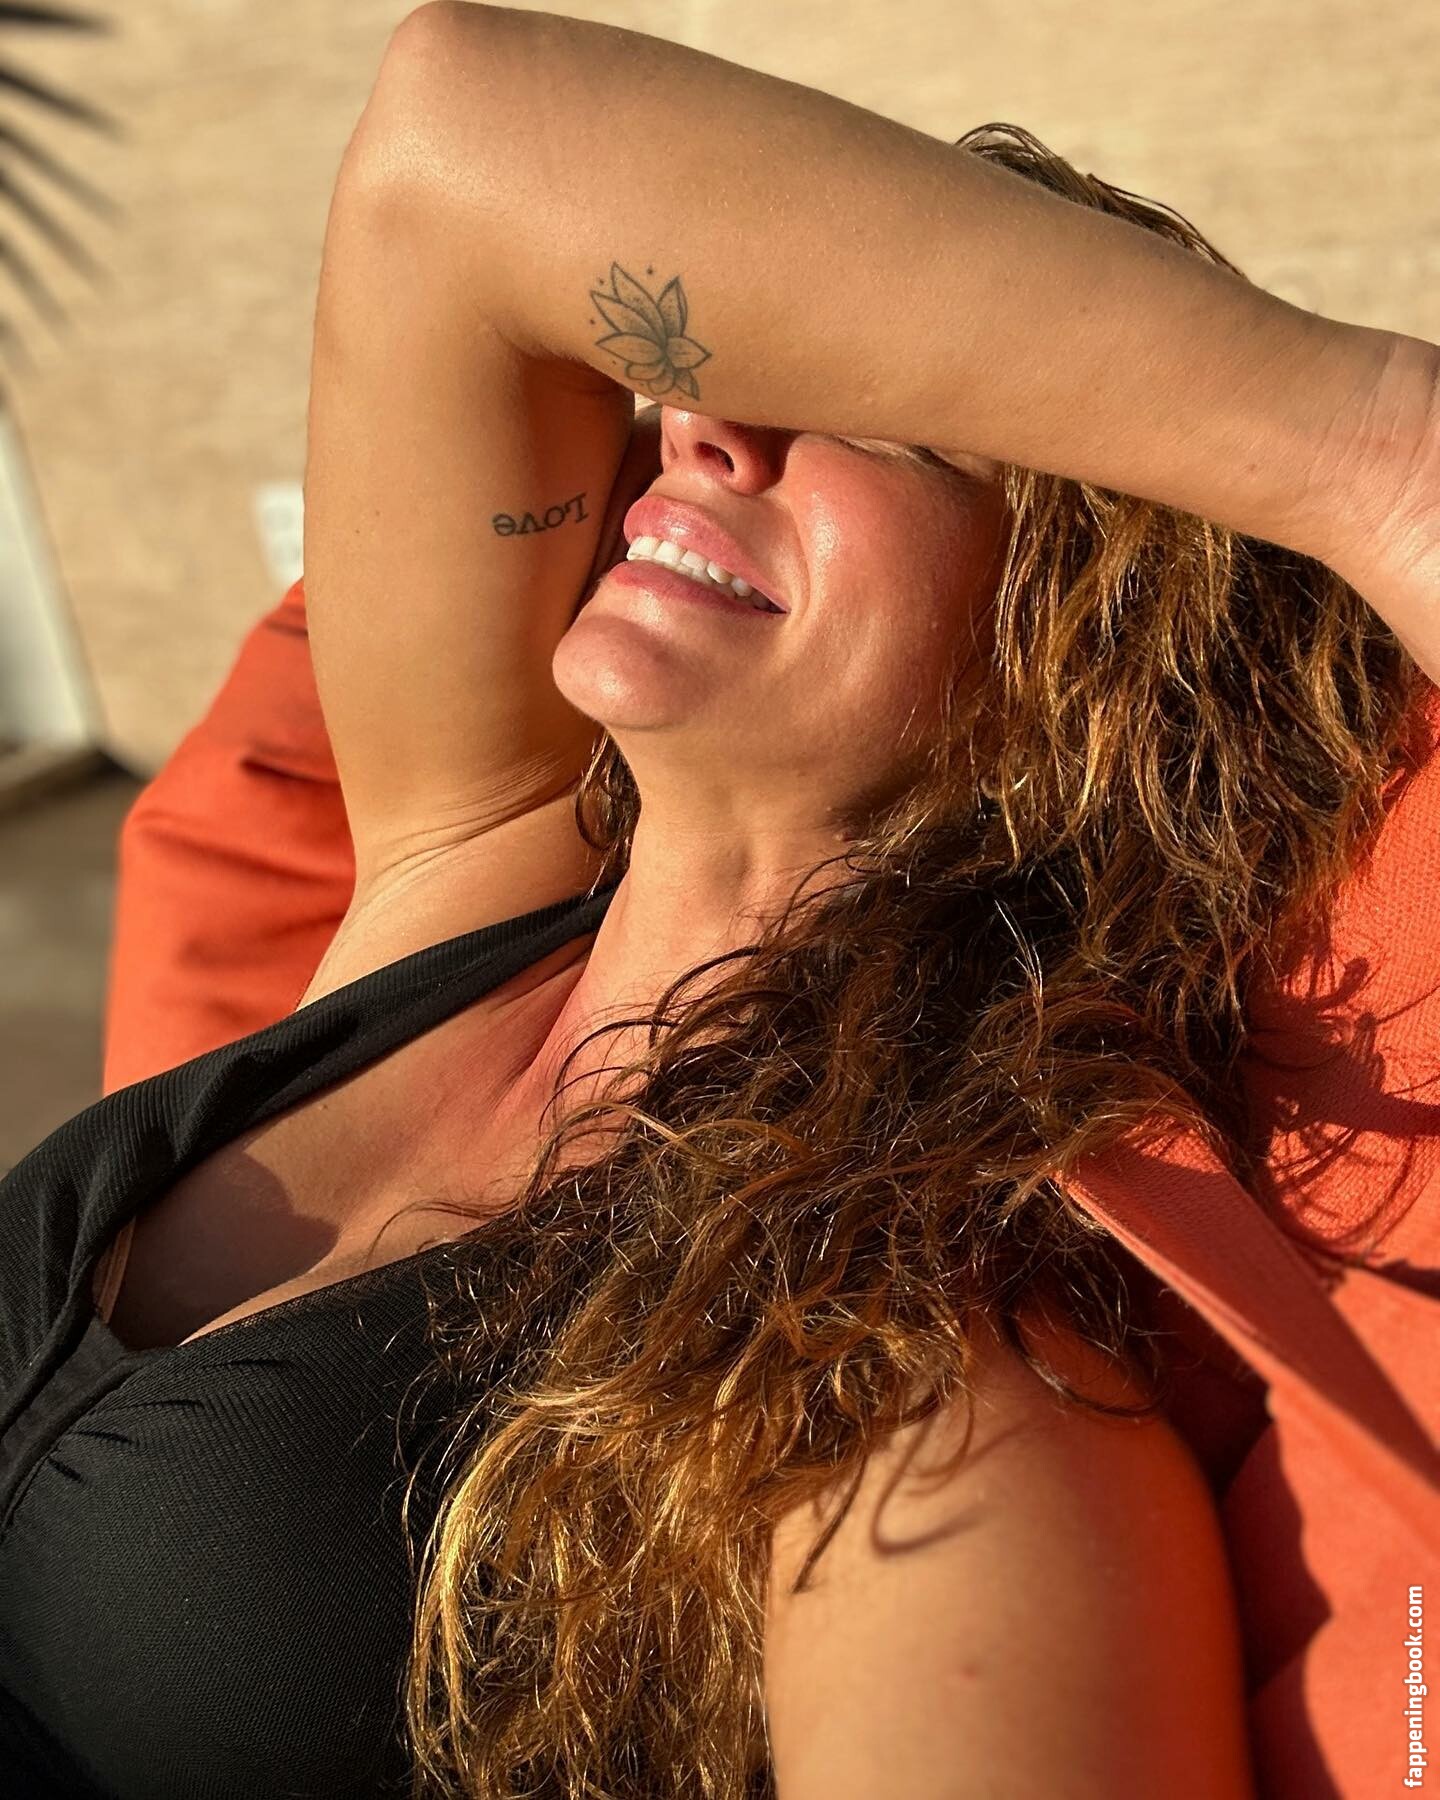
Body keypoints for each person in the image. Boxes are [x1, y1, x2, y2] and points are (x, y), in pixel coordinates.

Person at [3, 7, 1438, 1796]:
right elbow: (455, 133)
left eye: (901, 432)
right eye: (734, 370)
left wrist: (1382, 470)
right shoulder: (470, 874)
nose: (701, 420)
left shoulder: (914, 1381)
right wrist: (1356, 438)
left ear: (1078, 669)